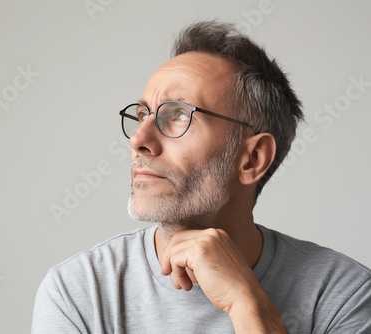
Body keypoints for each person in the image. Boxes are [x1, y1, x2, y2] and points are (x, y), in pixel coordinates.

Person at [31, 20, 371, 333]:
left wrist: (246, 303)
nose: (139, 141)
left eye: (177, 115)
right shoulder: (78, 291)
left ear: (252, 158)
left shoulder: (344, 294)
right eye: (142, 115)